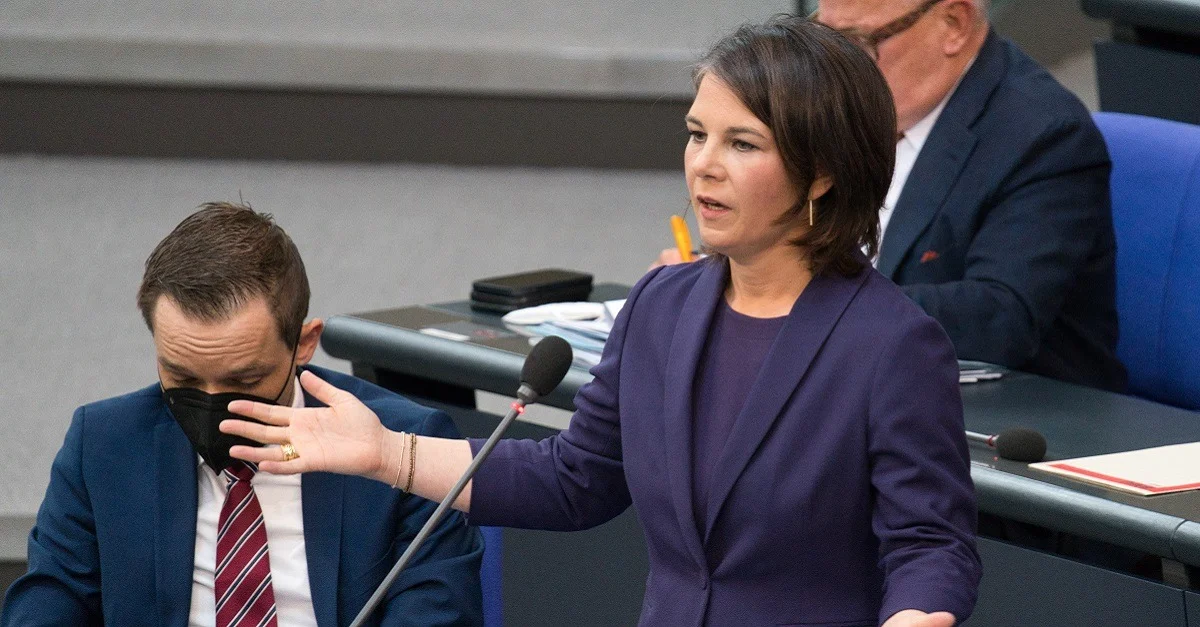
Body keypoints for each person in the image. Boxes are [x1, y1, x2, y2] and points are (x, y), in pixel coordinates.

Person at [221, 17, 981, 627]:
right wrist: (388, 453)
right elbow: (575, 479)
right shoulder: (662, 305)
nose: (703, 165)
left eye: (741, 143)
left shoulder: (890, 345)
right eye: (696, 133)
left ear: (822, 172)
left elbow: (930, 546)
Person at [2, 204, 483, 626]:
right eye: (184, 378)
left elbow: (438, 613)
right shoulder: (104, 444)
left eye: (245, 381)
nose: (214, 404)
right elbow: (49, 600)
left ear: (305, 344)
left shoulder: (401, 447)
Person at [657, 0, 1127, 393]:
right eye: (824, 34)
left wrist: (783, 301)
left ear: (953, 25)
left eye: (857, 44)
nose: (832, 64)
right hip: (833, 378)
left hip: (1007, 420)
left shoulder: (1041, 135)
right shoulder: (840, 117)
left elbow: (1000, 316)